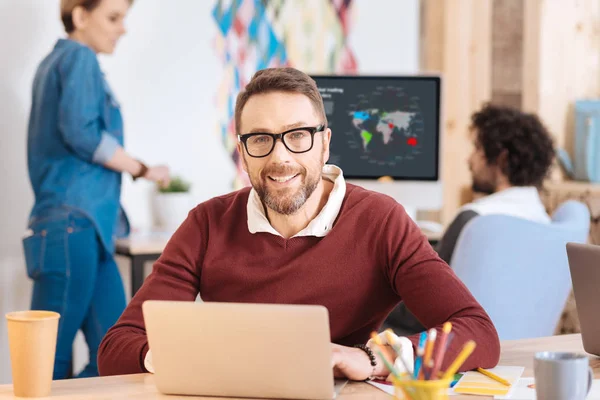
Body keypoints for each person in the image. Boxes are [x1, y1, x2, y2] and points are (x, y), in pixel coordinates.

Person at [97, 67, 500, 381]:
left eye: (298, 136)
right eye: (260, 139)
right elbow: (117, 348)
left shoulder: (381, 220)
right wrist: (190, 358)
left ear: (325, 142)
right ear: (243, 152)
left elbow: (477, 333)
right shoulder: (207, 223)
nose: (280, 157)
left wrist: (371, 358)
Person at [23, 0, 170, 379]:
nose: (123, 28)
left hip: (90, 228)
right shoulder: (78, 58)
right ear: (80, 16)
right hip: (72, 226)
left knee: (116, 356)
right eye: (113, 17)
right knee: (47, 362)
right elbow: (82, 133)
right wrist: (143, 169)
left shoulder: (58, 64)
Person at [384, 103, 555, 336]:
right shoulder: (544, 221)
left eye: (476, 148)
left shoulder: (473, 221)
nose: (469, 159)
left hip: (439, 350)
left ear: (501, 159)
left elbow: (418, 310)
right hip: (517, 351)